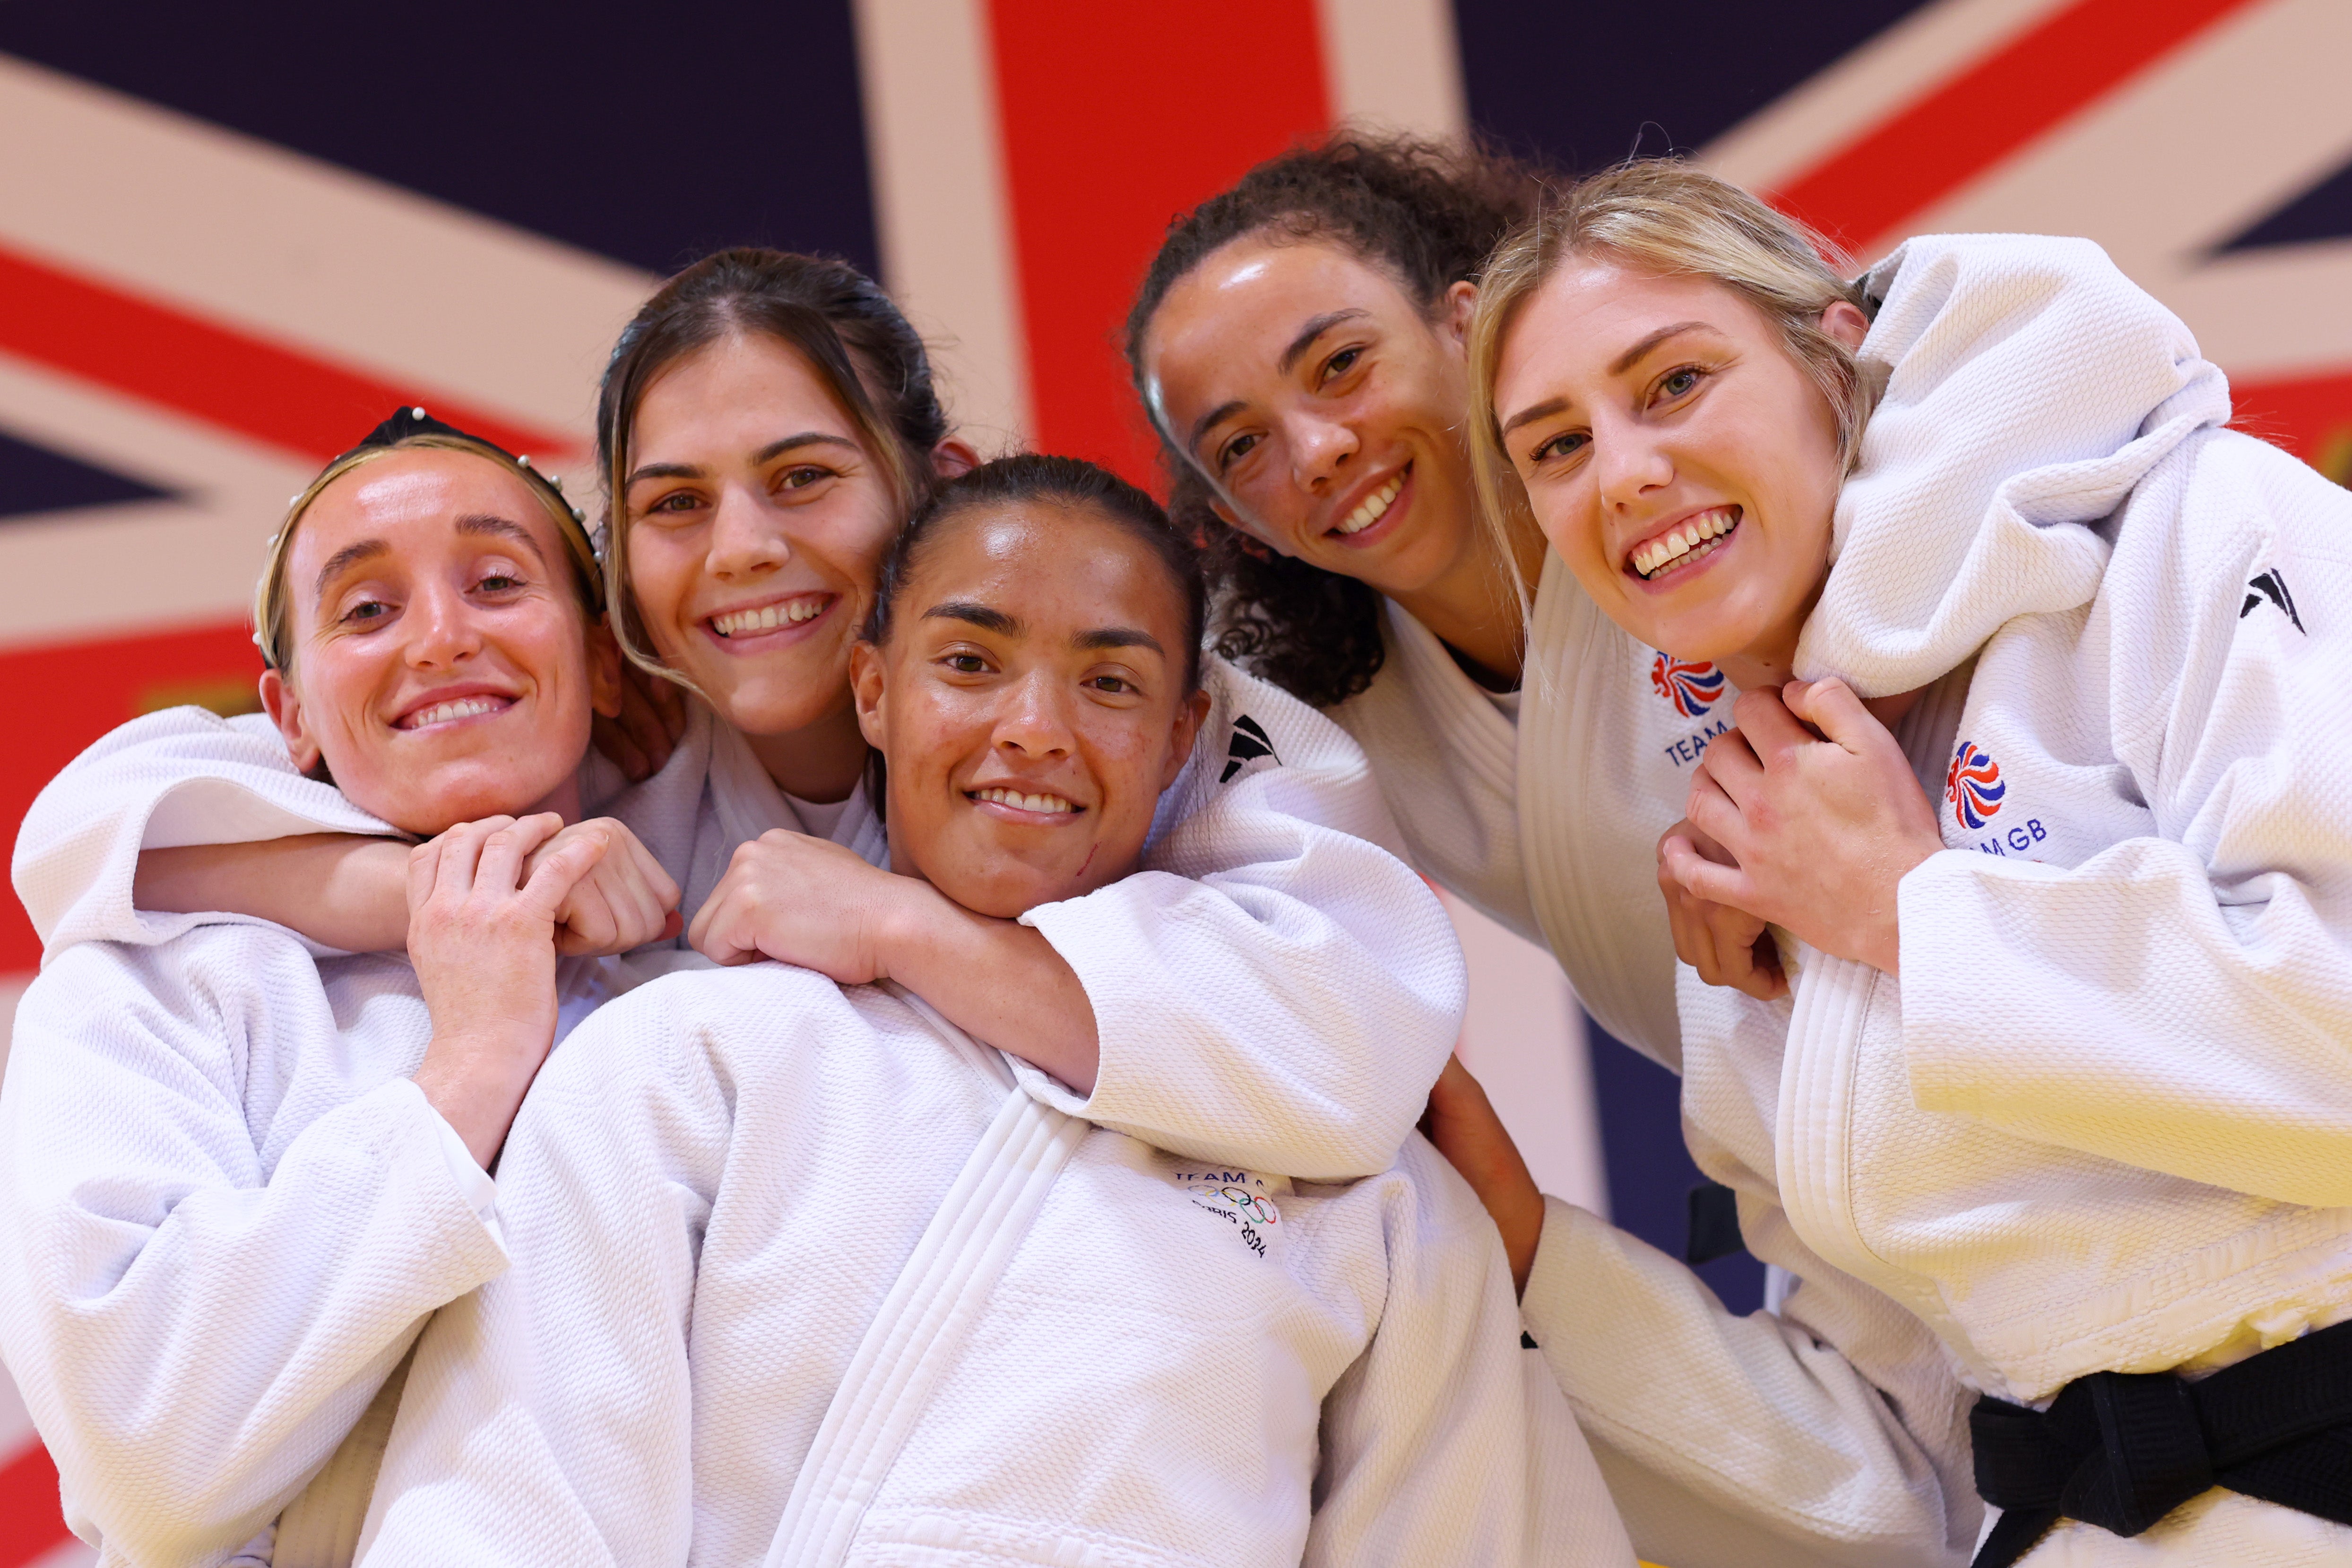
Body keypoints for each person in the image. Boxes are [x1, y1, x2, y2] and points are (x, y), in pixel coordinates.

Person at [348, 456, 1634, 1568]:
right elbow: (504, 1518)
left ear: (1188, 730)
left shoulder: (1366, 1188)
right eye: (969, 662)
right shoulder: (686, 1060)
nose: (1034, 729)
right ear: (872, 690)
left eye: (1111, 684)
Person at [20, 249, 1465, 1187]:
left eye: (801, 479)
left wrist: (908, 931)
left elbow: (1346, 1048)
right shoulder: (607, 757)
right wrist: (455, 891)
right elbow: (93, 829)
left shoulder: (1137, 717)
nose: (739, 552)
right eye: (672, 506)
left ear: (941, 482)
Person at [1459, 159, 2352, 1563]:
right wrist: (1529, 1260)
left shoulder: (2197, 524)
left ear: (1835, 346)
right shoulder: (1746, 823)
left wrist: (1918, 916)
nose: (1625, 469)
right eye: (1556, 445)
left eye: (1674, 382)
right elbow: (1890, 1447)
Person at [1130, 136, 1976, 1568]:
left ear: (1469, 322)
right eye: (1241, 444)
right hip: (1828, 1165)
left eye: (1339, 365)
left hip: (2002, 1026)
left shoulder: (1718, 512)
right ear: (1223, 516)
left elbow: (1991, 329)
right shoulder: (1336, 716)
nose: (1315, 450)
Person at [0, 410, 688, 1568]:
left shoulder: (706, 995)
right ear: (290, 717)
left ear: (604, 660)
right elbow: (149, 1461)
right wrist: (468, 1069)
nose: (439, 638)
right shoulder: (150, 989)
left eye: (497, 582)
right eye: (368, 610)